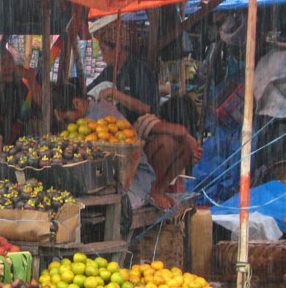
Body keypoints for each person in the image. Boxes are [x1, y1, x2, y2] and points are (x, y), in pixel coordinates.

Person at [54, 80, 202, 209]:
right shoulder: (93, 113)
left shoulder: (97, 117)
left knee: (172, 145)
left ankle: (156, 191)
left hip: (137, 176)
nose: (68, 125)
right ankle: (156, 191)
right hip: (135, 174)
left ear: (77, 103)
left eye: (67, 119)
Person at [89, 21, 160, 125]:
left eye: (103, 50)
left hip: (138, 130)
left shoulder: (138, 70)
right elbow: (89, 90)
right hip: (114, 130)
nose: (102, 55)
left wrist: (114, 94)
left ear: (117, 49)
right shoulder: (109, 71)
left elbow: (146, 108)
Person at [0, 43, 39, 144]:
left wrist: (30, 77)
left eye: (10, 61)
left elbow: (38, 107)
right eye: (2, 63)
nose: (9, 67)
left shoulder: (16, 86)